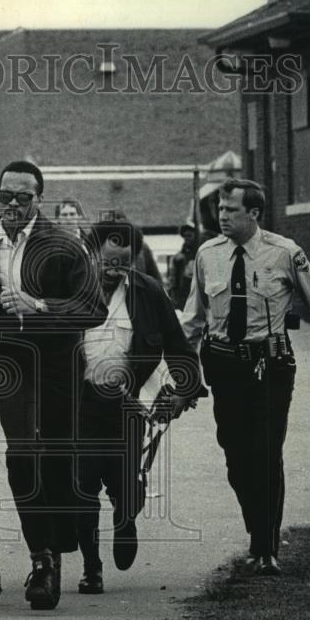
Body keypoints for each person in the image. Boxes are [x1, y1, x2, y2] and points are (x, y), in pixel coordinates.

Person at [182, 179, 310, 577]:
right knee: (237, 458)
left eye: (231, 211)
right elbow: (194, 317)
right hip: (224, 365)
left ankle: (266, 545)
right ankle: (256, 529)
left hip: (270, 365)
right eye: (219, 210)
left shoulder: (285, 253)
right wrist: (181, 367)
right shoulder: (208, 254)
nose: (222, 217)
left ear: (254, 214)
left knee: (266, 452)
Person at [0, 160, 106, 610]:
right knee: (22, 453)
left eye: (21, 198)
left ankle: (65, 534)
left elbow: (92, 309)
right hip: (12, 366)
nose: (10, 205)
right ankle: (41, 559)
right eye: (4, 195)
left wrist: (37, 306)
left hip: (58, 362)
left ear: (38, 199)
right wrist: (8, 340)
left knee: (60, 455)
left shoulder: (63, 245)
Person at [74, 217, 202, 594]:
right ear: (91, 253)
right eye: (107, 261)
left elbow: (180, 349)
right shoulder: (71, 292)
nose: (114, 270)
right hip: (80, 405)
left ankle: (125, 517)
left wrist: (184, 391)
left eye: (123, 263)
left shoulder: (148, 292)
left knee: (125, 483)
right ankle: (91, 567)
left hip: (128, 407)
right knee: (81, 487)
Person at [168, 223, 198, 311]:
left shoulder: (200, 253)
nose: (187, 238)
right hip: (182, 294)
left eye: (190, 235)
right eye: (185, 236)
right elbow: (173, 279)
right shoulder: (178, 257)